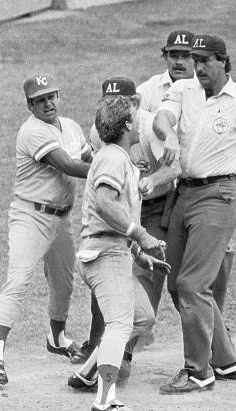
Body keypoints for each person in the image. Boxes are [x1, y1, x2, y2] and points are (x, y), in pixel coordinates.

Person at [152, 34, 236, 394]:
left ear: (224, 61)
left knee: (192, 284)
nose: (198, 67)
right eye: (195, 61)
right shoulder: (183, 90)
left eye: (205, 61)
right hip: (184, 194)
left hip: (221, 194)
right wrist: (168, 137)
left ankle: (198, 371)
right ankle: (224, 359)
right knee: (176, 280)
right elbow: (162, 119)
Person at [67, 77, 180, 389]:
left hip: (119, 246)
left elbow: (174, 168)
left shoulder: (128, 145)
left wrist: (139, 254)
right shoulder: (114, 156)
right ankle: (105, 397)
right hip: (105, 251)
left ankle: (87, 373)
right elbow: (104, 203)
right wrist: (140, 234)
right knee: (119, 323)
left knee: (142, 316)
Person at [0, 74, 90, 385]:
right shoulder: (31, 132)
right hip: (31, 217)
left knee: (64, 282)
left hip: (62, 219)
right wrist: (113, 168)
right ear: (30, 105)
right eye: (40, 100)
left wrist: (109, 160)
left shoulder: (70, 127)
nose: (48, 103)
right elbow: (68, 166)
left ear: (58, 96)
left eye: (52, 96)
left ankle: (58, 339)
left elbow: (87, 157)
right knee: (18, 279)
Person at [138, 29, 235, 313]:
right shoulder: (146, 92)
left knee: (219, 257)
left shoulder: (209, 88)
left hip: (200, 188)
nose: (179, 62)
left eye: (185, 56)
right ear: (165, 56)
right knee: (161, 266)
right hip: (161, 195)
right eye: (173, 55)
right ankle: (141, 331)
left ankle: (213, 325)